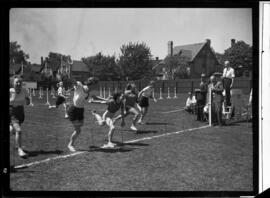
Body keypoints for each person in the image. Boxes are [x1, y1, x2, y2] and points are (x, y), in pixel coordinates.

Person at [67, 77, 98, 152]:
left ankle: (71, 142)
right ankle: (70, 145)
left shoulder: (89, 91)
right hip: (73, 110)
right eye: (96, 84)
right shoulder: (80, 86)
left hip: (81, 110)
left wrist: (106, 100)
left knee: (79, 127)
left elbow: (95, 97)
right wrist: (70, 69)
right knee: (78, 130)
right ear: (92, 84)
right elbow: (72, 80)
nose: (96, 86)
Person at [10, 75, 30, 158]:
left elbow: (27, 101)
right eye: (16, 82)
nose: (18, 83)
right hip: (11, 112)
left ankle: (18, 146)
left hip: (20, 113)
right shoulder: (10, 91)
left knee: (11, 130)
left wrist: (28, 100)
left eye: (20, 82)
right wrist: (13, 98)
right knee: (18, 130)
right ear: (13, 83)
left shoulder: (24, 90)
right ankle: (20, 150)